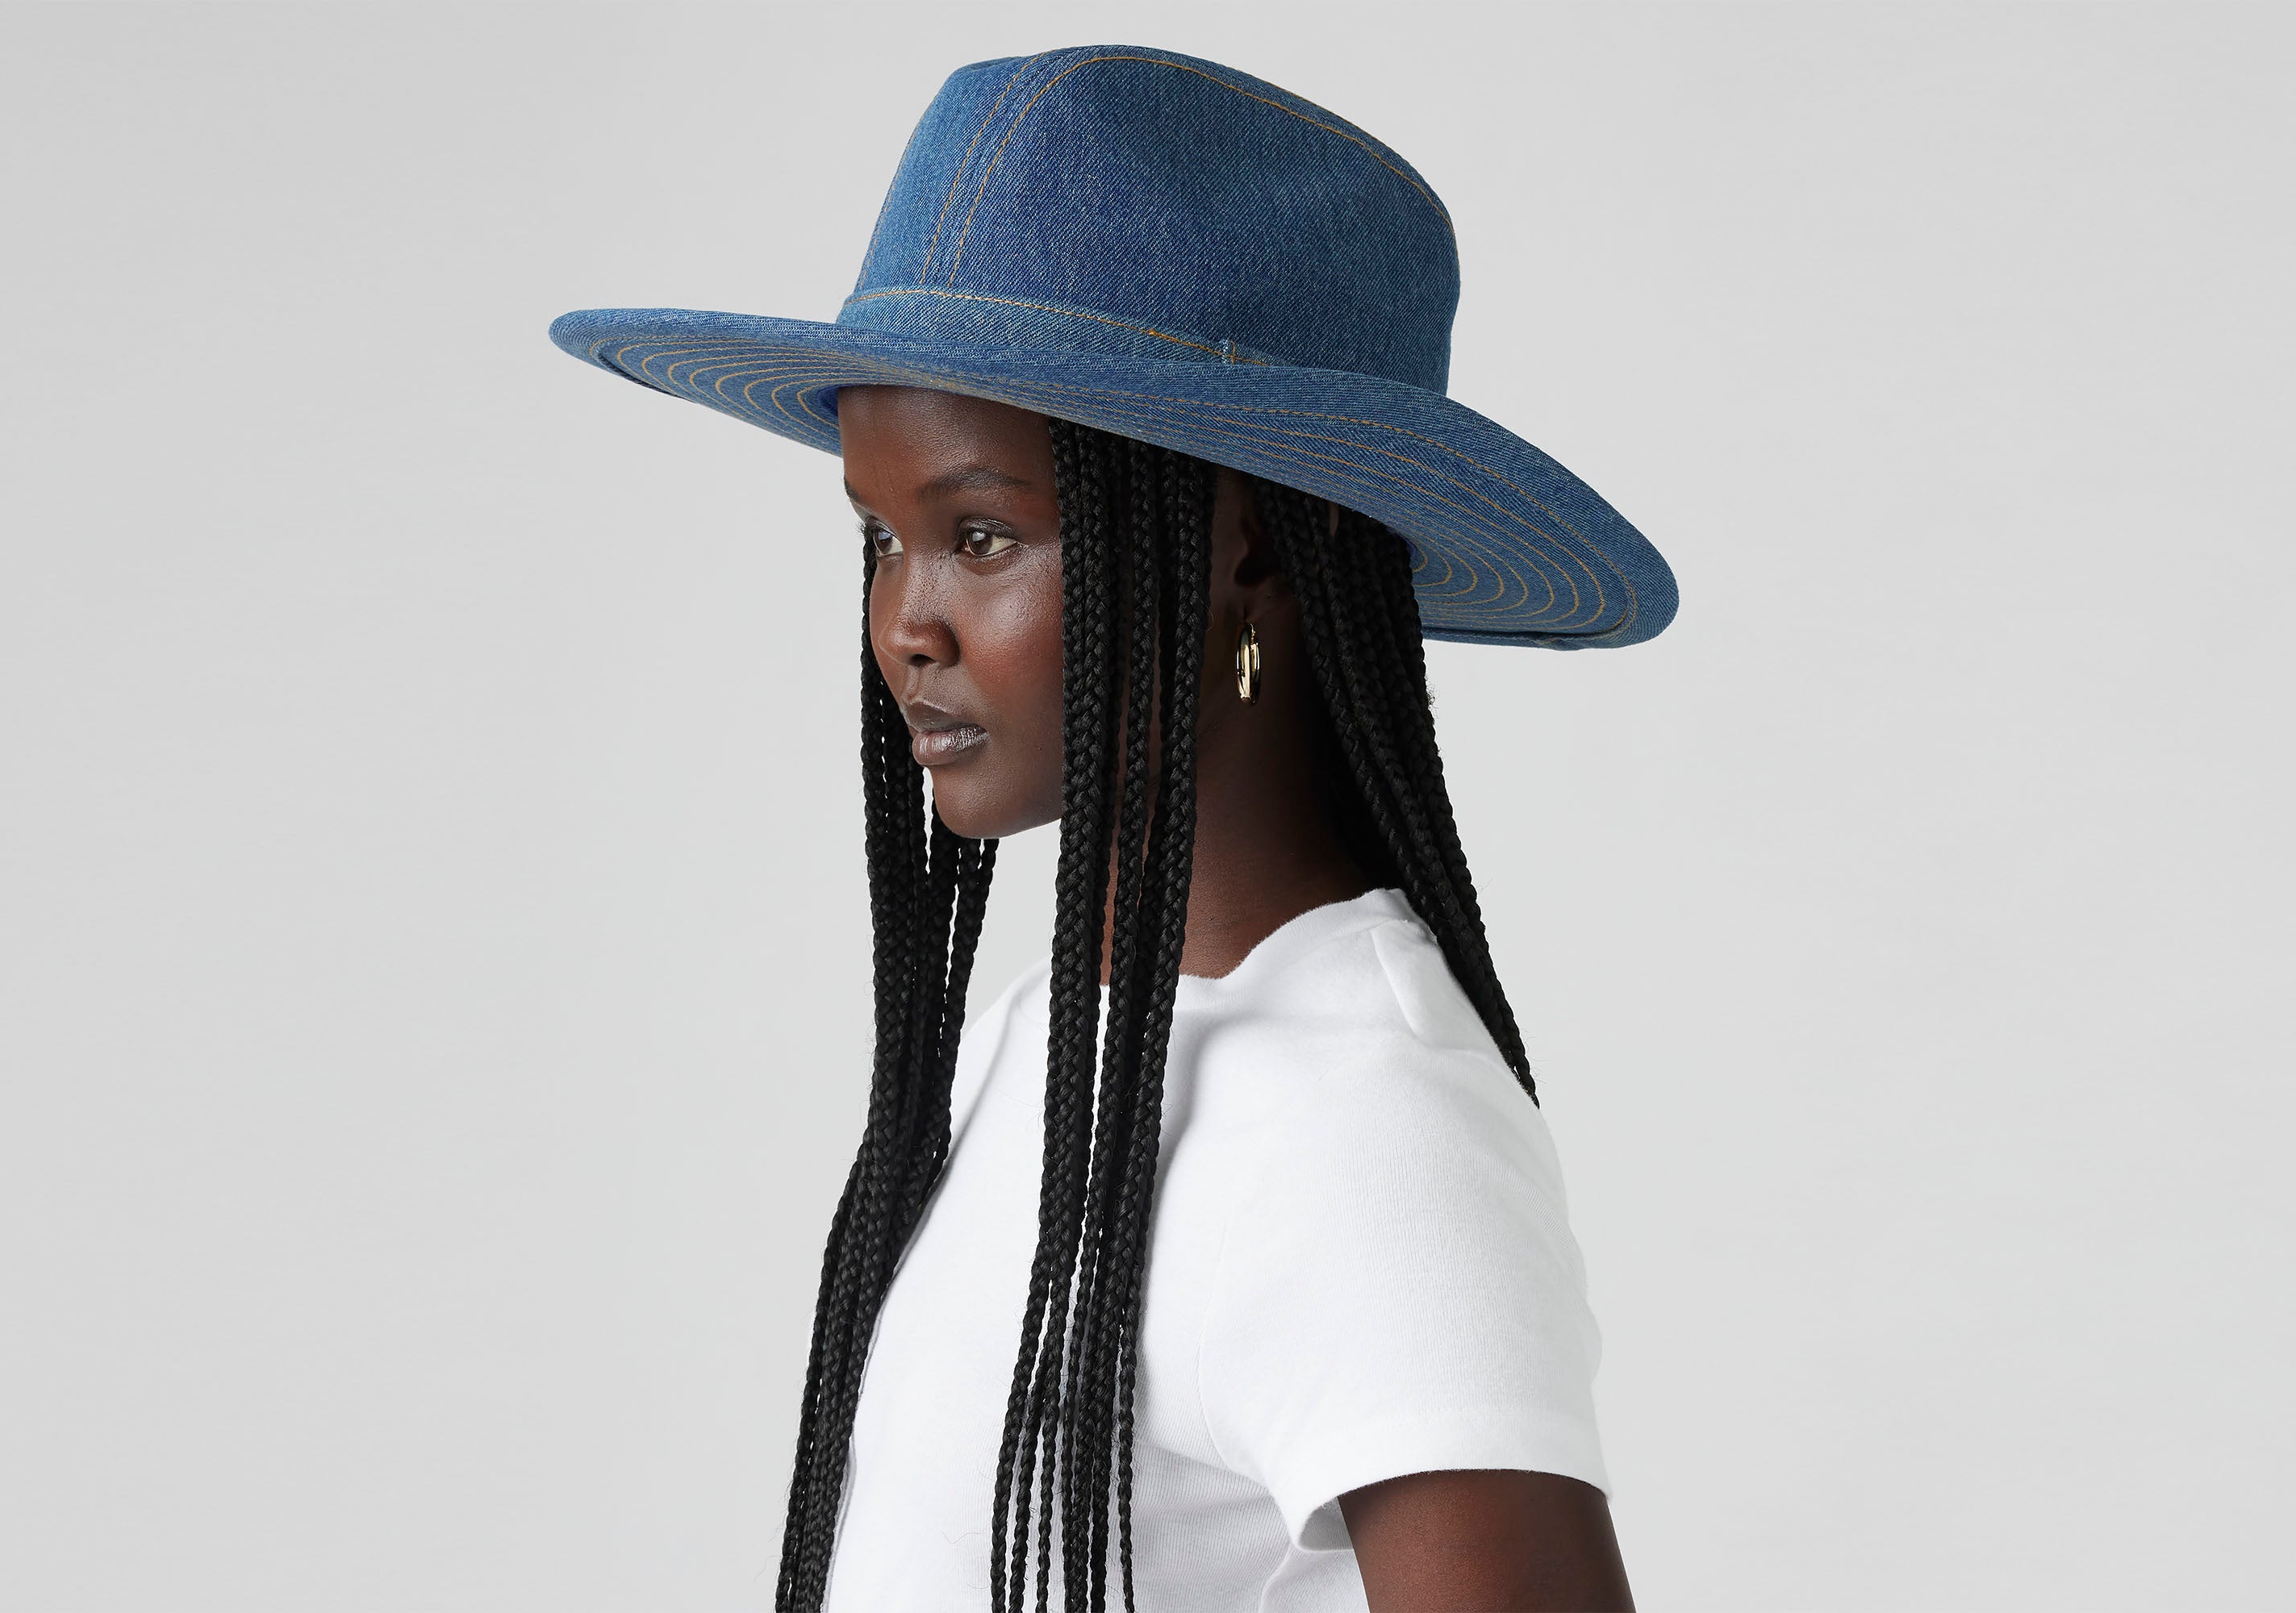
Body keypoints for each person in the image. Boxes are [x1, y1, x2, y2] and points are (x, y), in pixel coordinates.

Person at [551, 45, 1676, 1613]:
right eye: (882, 538)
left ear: (1255, 553)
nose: (907, 623)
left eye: (981, 534)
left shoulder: (1354, 1122)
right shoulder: (1045, 1041)